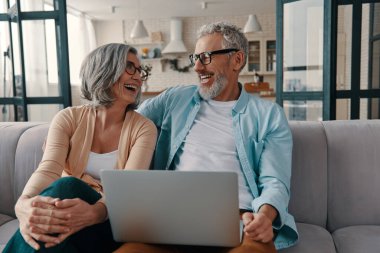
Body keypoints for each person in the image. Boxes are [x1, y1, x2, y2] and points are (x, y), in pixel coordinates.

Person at [115, 22, 299, 253]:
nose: (197, 67)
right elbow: (126, 121)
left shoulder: (268, 114)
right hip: (173, 216)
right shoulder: (175, 98)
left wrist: (264, 216)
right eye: (196, 58)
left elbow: (275, 180)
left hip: (240, 220)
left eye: (207, 57)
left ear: (237, 60)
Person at [4, 43, 157, 253]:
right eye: (130, 67)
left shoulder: (143, 128)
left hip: (112, 221)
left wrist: (96, 212)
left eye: (140, 71)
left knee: (68, 187)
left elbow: (128, 188)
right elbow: (48, 168)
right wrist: (24, 203)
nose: (139, 78)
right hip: (69, 218)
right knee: (53, 218)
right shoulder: (68, 118)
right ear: (104, 69)